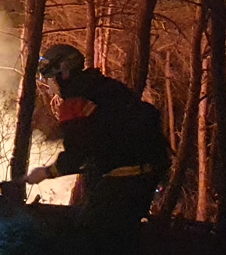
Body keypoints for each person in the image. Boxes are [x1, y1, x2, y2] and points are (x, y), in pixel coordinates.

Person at [25, 44, 170, 243]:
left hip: (124, 177)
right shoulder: (104, 86)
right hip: (152, 169)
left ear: (64, 72)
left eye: (50, 77)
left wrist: (46, 173)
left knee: (95, 239)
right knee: (126, 235)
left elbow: (77, 153)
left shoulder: (74, 101)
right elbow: (104, 130)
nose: (49, 84)